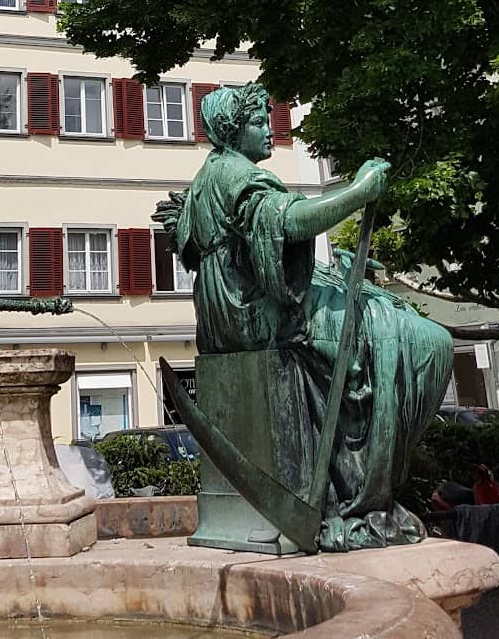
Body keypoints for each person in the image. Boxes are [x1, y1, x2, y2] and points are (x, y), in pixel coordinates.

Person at [158, 81, 453, 550]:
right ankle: (359, 483)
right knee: (417, 337)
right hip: (255, 319)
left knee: (375, 310)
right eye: (258, 122)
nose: (270, 129)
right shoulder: (237, 174)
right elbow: (289, 223)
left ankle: (360, 463)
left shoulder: (210, 176)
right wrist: (358, 191)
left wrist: (330, 274)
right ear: (234, 133)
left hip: (229, 316)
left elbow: (249, 253)